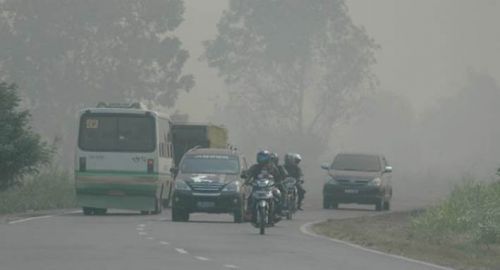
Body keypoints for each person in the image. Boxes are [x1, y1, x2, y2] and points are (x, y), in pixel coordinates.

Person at [244, 150, 282, 221]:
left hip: (269, 188)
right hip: (257, 188)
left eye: (264, 157)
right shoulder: (255, 167)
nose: (262, 160)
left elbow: (278, 176)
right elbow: (248, 175)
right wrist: (246, 180)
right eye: (261, 157)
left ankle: (277, 213)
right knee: (249, 196)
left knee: (278, 194)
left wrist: (278, 182)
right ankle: (249, 212)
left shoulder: (272, 167)